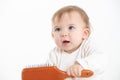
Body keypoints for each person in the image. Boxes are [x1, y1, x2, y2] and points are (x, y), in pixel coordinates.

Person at [46, 5, 107, 80]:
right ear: (52, 35)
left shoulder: (88, 46)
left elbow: (100, 59)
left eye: (71, 28)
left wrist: (81, 65)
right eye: (58, 29)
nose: (63, 33)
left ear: (85, 33)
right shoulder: (54, 54)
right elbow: (48, 74)